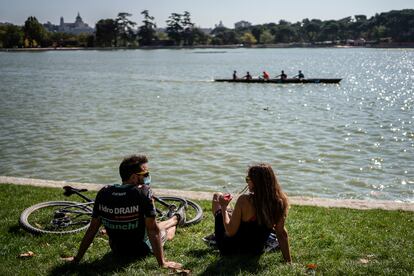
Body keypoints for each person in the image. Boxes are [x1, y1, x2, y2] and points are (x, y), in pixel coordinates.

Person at [65, 154, 184, 269]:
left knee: (151, 225)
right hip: (141, 249)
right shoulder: (144, 193)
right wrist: (162, 263)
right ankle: (175, 220)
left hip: (116, 248)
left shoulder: (103, 193)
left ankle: (174, 219)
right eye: (145, 174)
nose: (148, 176)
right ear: (133, 177)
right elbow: (153, 230)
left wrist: (77, 259)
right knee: (163, 232)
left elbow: (92, 229)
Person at [211, 163, 291, 262]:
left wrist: (223, 207)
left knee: (217, 195)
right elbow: (281, 234)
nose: (247, 182)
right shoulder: (279, 202)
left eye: (248, 179)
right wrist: (288, 261)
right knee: (233, 214)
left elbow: (230, 232)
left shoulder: (244, 200)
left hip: (229, 249)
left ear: (256, 182)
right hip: (255, 250)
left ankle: (223, 215)